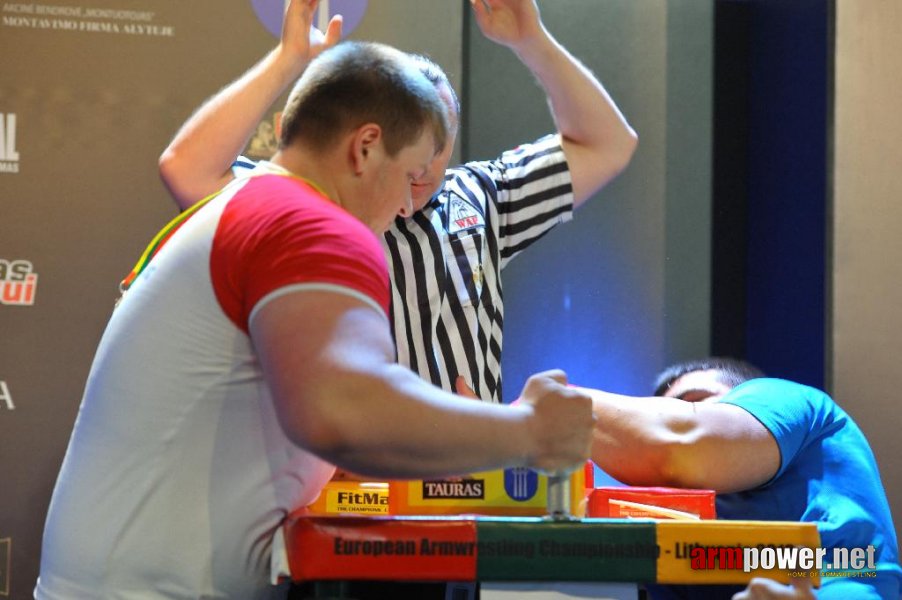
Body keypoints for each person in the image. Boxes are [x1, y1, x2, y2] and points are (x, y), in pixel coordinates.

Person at [35, 41, 595, 600]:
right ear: (366, 148)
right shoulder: (307, 224)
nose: (406, 206)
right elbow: (346, 412)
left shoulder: (250, 206)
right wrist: (529, 432)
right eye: (411, 174)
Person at [157, 0, 638, 405]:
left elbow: (609, 144)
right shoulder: (306, 203)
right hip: (344, 480)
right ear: (368, 143)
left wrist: (531, 41)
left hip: (466, 483)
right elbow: (188, 171)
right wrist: (288, 60)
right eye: (409, 161)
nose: (420, 176)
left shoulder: (479, 195)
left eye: (434, 153)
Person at [584, 357, 901, 600]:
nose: (671, 417)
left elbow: (681, 446)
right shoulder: (672, 533)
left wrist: (561, 405)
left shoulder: (790, 399)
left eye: (694, 404)